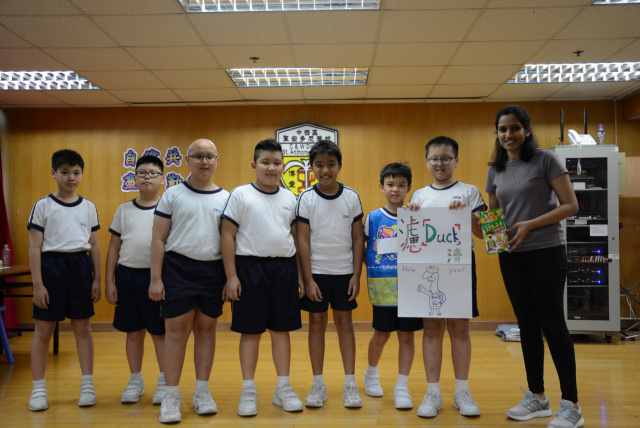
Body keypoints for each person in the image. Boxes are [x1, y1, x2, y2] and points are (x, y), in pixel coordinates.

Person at [486, 105, 582, 428]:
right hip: (511, 255)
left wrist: (530, 224)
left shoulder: (546, 160)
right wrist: (472, 221)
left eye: (515, 128)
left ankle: (572, 405)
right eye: (502, 129)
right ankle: (538, 397)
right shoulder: (495, 169)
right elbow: (494, 218)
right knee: (527, 325)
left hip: (546, 251)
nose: (508, 134)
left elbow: (571, 205)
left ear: (526, 130)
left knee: (553, 325)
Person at [221, 139, 304, 417]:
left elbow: (296, 238)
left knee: (281, 330)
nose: (271, 168)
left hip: (284, 269)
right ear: (254, 165)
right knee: (251, 331)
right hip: (249, 269)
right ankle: (248, 390)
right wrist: (231, 277)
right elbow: (227, 235)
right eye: (265, 162)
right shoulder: (240, 194)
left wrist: (300, 276)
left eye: (277, 163)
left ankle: (283, 388)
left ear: (283, 167)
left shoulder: (290, 198)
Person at [149, 139, 229, 424]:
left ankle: (202, 392)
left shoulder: (226, 198)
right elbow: (158, 238)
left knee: (206, 331)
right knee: (175, 333)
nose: (204, 162)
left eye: (209, 157)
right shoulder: (172, 195)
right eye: (198, 156)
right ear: (188, 160)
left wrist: (229, 277)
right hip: (178, 269)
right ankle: (171, 396)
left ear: (217, 161)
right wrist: (155, 278)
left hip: (213, 271)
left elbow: (230, 241)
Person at [407, 136, 486, 419]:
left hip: (459, 265)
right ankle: (433, 392)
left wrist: (468, 216)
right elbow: (411, 235)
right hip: (427, 265)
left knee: (459, 328)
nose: (439, 163)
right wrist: (411, 214)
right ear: (427, 162)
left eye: (445, 158)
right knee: (431, 328)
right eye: (434, 159)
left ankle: (462, 391)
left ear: (456, 161)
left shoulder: (470, 192)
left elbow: (485, 234)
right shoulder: (418, 195)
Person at [27, 149, 101, 411]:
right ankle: (38, 389)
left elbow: (94, 245)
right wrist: (38, 284)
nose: (71, 177)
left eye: (76, 173)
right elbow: (34, 247)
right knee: (43, 330)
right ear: (54, 173)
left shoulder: (88, 206)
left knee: (83, 328)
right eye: (65, 172)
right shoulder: (43, 206)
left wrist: (97, 279)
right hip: (51, 268)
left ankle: (87, 385)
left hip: (81, 267)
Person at [296, 140, 365, 409]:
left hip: (345, 273)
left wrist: (356, 276)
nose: (325, 170)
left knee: (345, 325)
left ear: (339, 166)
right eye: (319, 165)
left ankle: (350, 384)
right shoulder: (306, 198)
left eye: (331, 164)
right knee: (316, 325)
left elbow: (358, 238)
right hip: (317, 274)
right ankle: (318, 384)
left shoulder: (352, 196)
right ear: (311, 168)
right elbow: (302, 241)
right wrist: (308, 279)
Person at [105, 155, 166, 405]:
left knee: (160, 333)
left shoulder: (168, 209)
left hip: (157, 278)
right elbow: (113, 248)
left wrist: (161, 279)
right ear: (135, 178)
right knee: (133, 332)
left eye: (153, 173)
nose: (147, 177)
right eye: (142, 173)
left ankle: (165, 381)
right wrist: (110, 281)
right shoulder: (124, 210)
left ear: (162, 179)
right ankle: (135, 380)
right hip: (127, 277)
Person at [362, 162, 423, 410]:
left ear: (409, 187)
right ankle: (371, 373)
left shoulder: (418, 217)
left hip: (411, 287)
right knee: (381, 334)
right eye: (390, 184)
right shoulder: (373, 218)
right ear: (381, 187)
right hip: (383, 287)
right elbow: (363, 249)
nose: (395, 189)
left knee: (407, 336)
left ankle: (402, 386)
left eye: (401, 185)